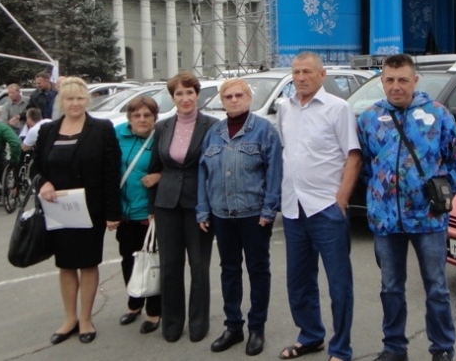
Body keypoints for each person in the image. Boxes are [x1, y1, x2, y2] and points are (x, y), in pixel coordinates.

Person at [356, 54, 456, 361]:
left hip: (429, 220)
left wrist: (440, 196)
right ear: (382, 80)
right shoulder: (368, 119)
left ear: (415, 80)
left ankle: (442, 348)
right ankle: (394, 348)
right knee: (391, 287)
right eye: (390, 80)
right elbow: (368, 165)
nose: (396, 87)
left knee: (436, 288)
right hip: (386, 221)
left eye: (403, 79)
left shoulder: (438, 115)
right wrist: (383, 195)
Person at [276, 52, 362, 361]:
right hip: (293, 207)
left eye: (307, 72)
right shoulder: (284, 109)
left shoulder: (338, 109)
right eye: (296, 72)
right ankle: (310, 336)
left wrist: (340, 201)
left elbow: (353, 156)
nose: (301, 77)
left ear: (322, 75)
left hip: (326, 208)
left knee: (339, 284)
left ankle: (341, 348)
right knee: (299, 281)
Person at [32, 77, 122, 346]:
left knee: (87, 262)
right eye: (70, 99)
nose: (75, 103)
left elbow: (111, 172)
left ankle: (86, 318)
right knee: (66, 264)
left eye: (80, 98)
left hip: (90, 208)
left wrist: (112, 212)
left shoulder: (102, 128)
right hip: (58, 208)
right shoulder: (49, 130)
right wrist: (43, 183)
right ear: (62, 101)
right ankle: (69, 318)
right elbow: (36, 167)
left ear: (87, 100)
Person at [197, 78, 282, 356]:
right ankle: (233, 326)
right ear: (222, 102)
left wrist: (269, 209)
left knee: (258, 271)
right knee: (229, 270)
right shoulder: (214, 133)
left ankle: (256, 328)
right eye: (228, 96)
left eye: (239, 95)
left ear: (248, 97)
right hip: (222, 215)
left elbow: (274, 173)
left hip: (254, 215)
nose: (234, 100)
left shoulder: (264, 131)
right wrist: (203, 209)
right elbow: (203, 174)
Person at [148, 71, 218, 343]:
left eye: (190, 92)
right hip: (167, 205)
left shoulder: (212, 125)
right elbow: (156, 168)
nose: (185, 98)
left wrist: (210, 207)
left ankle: (198, 323)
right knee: (170, 266)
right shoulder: (162, 127)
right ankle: (172, 323)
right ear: (172, 97)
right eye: (179, 93)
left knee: (199, 266)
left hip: (198, 205)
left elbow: (214, 167)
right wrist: (153, 207)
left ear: (197, 95)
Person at [115, 95, 162, 334]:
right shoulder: (117, 135)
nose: (142, 119)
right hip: (125, 213)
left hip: (150, 213)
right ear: (129, 118)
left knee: (152, 261)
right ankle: (134, 303)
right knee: (128, 259)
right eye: (137, 115)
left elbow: (175, 166)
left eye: (147, 115)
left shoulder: (161, 137)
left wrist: (160, 176)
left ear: (155, 118)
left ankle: (154, 312)